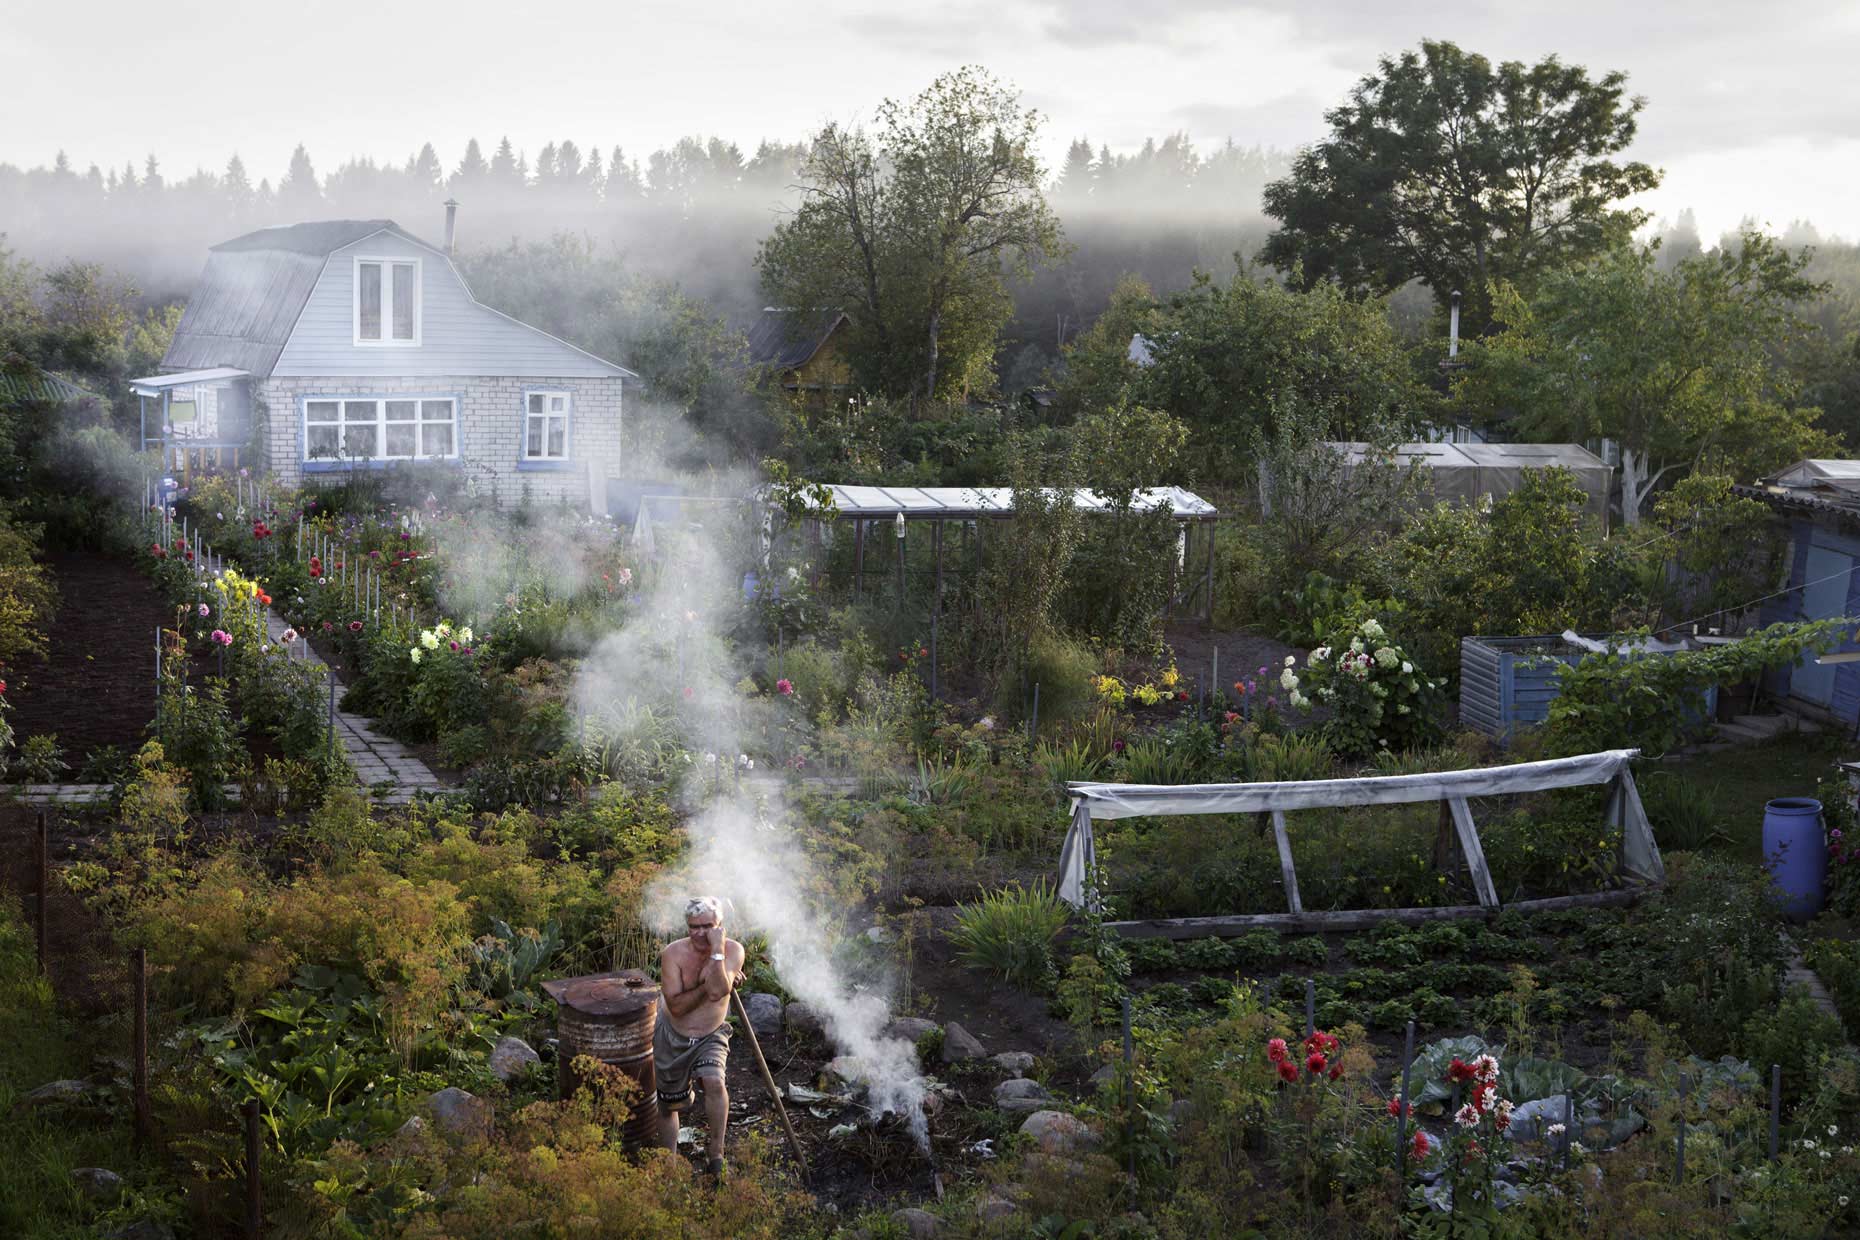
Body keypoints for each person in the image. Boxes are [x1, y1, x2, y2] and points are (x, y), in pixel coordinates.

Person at [656, 895, 745, 1176]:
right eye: (694, 926)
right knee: (668, 1102)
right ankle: (668, 1163)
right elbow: (678, 1007)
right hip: (673, 1033)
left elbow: (719, 992)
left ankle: (716, 1157)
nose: (699, 933)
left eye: (707, 926)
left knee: (714, 1082)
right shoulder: (673, 953)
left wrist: (718, 954)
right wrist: (711, 982)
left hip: (711, 1033)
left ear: (719, 926)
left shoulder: (732, 950)